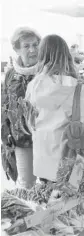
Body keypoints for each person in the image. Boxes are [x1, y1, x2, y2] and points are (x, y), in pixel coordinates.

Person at [25, 35, 84, 182]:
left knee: (49, 202)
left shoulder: (32, 87)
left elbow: (30, 124)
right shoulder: (76, 87)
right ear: (66, 54)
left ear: (42, 55)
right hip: (70, 163)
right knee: (69, 204)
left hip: (42, 162)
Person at [1, 27, 41, 188]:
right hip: (21, 139)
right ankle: (32, 212)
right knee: (26, 183)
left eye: (35, 44)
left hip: (48, 139)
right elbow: (5, 106)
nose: (32, 50)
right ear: (16, 49)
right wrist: (6, 135)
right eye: (26, 46)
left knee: (52, 183)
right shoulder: (11, 74)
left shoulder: (48, 71)